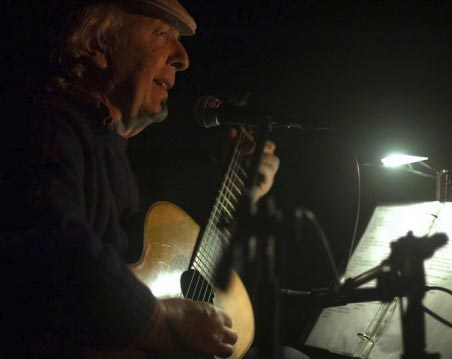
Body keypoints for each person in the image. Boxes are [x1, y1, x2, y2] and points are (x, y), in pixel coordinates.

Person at [1, 0, 307, 357]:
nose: (183, 57)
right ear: (96, 45)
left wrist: (244, 196)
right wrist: (159, 320)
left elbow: (185, 273)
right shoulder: (41, 126)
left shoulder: (111, 152)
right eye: (162, 34)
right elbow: (52, 238)